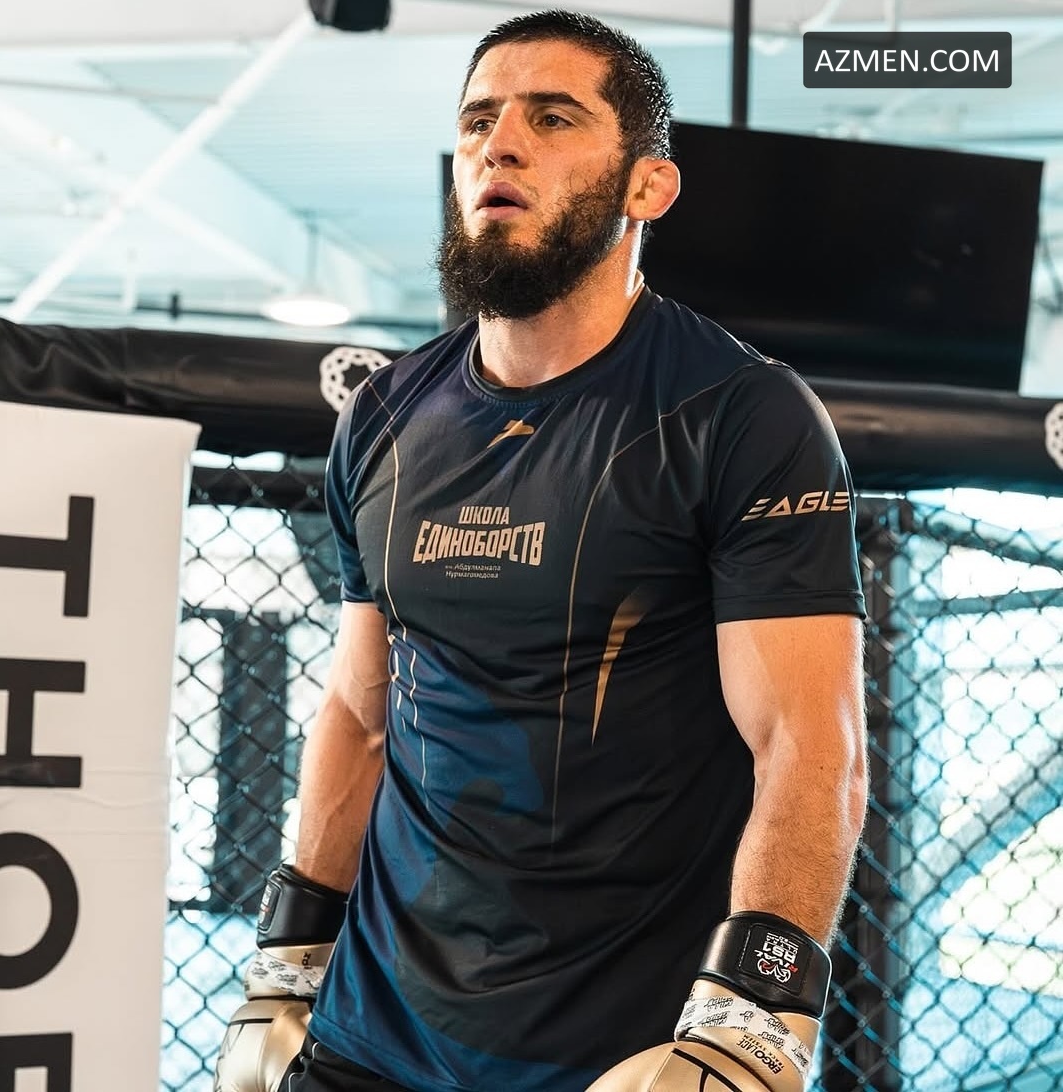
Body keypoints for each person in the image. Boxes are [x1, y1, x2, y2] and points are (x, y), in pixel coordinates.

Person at [214, 9, 868, 1092]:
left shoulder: (739, 414)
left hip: (621, 1055)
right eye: (478, 120)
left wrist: (752, 1021)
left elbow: (808, 746)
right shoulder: (384, 416)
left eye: (552, 118)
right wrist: (288, 959)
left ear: (648, 186)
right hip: (371, 1035)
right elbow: (359, 711)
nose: (499, 145)